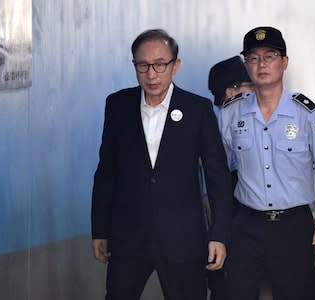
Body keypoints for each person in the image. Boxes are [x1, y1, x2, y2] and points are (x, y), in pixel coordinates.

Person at [91, 29, 233, 300]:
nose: (151, 74)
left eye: (160, 64)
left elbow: (218, 178)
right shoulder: (118, 105)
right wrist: (100, 229)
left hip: (183, 240)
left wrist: (219, 235)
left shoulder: (197, 109)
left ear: (175, 65)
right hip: (129, 238)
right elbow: (107, 172)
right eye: (142, 66)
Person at [219, 26, 315, 300]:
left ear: (284, 62)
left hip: (292, 227)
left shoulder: (306, 113)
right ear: (247, 65)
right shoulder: (232, 112)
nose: (261, 64)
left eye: (270, 56)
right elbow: (216, 168)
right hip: (246, 225)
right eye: (253, 58)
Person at [205, 56, 255, 300]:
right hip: (234, 210)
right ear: (232, 92)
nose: (256, 91)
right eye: (250, 86)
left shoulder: (219, 116)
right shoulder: (232, 113)